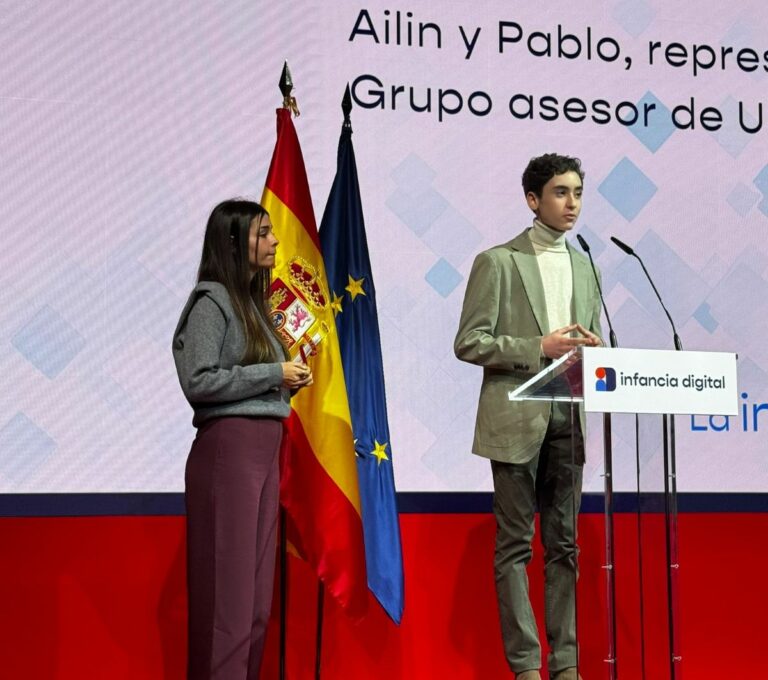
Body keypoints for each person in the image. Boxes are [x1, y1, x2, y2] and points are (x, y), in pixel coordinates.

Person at [454, 154, 603, 680]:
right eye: (561, 193)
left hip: (569, 416)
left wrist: (589, 350)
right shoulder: (498, 261)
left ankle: (566, 666)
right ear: (533, 199)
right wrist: (539, 345)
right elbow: (469, 342)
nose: (573, 204)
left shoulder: (586, 263)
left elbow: (583, 340)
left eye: (579, 193)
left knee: (565, 546)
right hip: (516, 421)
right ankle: (526, 667)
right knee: (516, 545)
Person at [172, 199, 312, 680]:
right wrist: (274, 371)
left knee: (254, 601)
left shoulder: (255, 304)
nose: (274, 241)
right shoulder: (211, 301)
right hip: (229, 449)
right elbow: (200, 380)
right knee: (227, 600)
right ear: (233, 243)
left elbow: (243, 375)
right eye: (263, 234)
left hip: (265, 447)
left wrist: (284, 382)